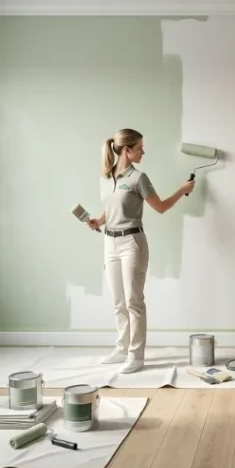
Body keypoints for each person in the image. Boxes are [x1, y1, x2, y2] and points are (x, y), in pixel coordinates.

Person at [86, 129, 195, 373]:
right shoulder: (105, 178)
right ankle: (122, 348)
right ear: (127, 150)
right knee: (118, 302)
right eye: (140, 148)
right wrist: (98, 221)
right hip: (109, 243)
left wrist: (182, 189)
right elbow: (110, 210)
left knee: (134, 301)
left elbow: (162, 207)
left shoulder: (139, 178)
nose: (143, 152)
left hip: (132, 243)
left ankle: (136, 356)